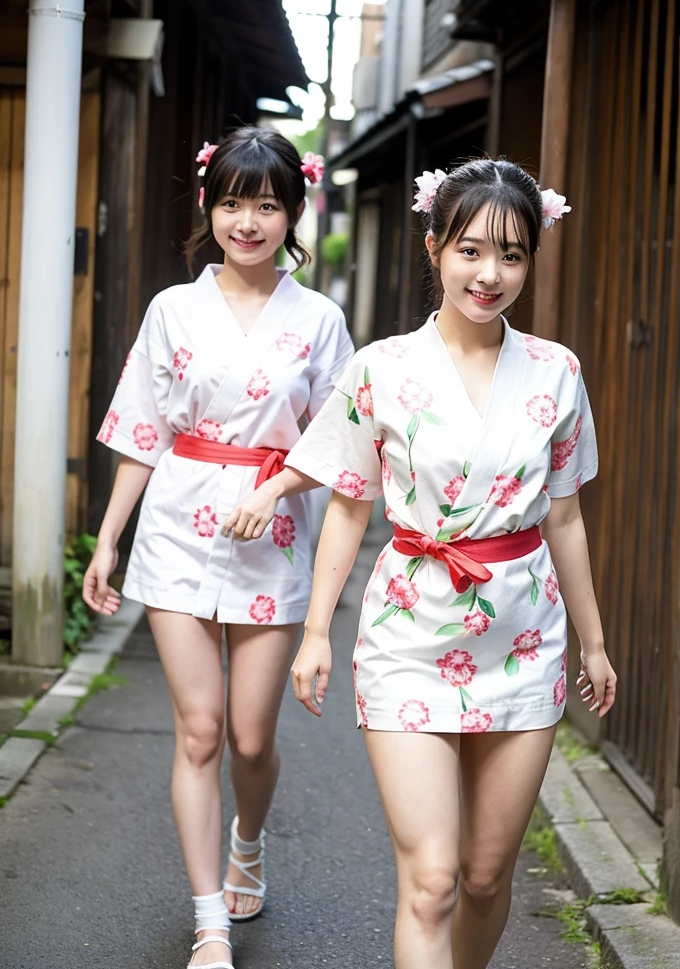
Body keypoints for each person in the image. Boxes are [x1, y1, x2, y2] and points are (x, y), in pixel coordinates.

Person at [222, 158, 617, 969]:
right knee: (432, 879)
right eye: (471, 249)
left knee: (482, 876)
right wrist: (317, 635)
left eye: (512, 254)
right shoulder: (382, 367)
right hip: (409, 636)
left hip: (522, 636)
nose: (491, 273)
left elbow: (568, 515)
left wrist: (595, 640)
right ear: (435, 246)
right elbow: (350, 503)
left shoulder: (558, 371)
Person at [82, 126, 353, 969]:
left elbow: (342, 444)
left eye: (267, 205)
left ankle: (248, 839)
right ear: (210, 206)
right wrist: (108, 540)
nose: (248, 221)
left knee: (247, 738)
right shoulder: (173, 309)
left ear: (293, 213)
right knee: (197, 731)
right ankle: (208, 920)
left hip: (272, 535)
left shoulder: (319, 319)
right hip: (175, 527)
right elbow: (143, 430)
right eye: (233, 202)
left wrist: (275, 489)